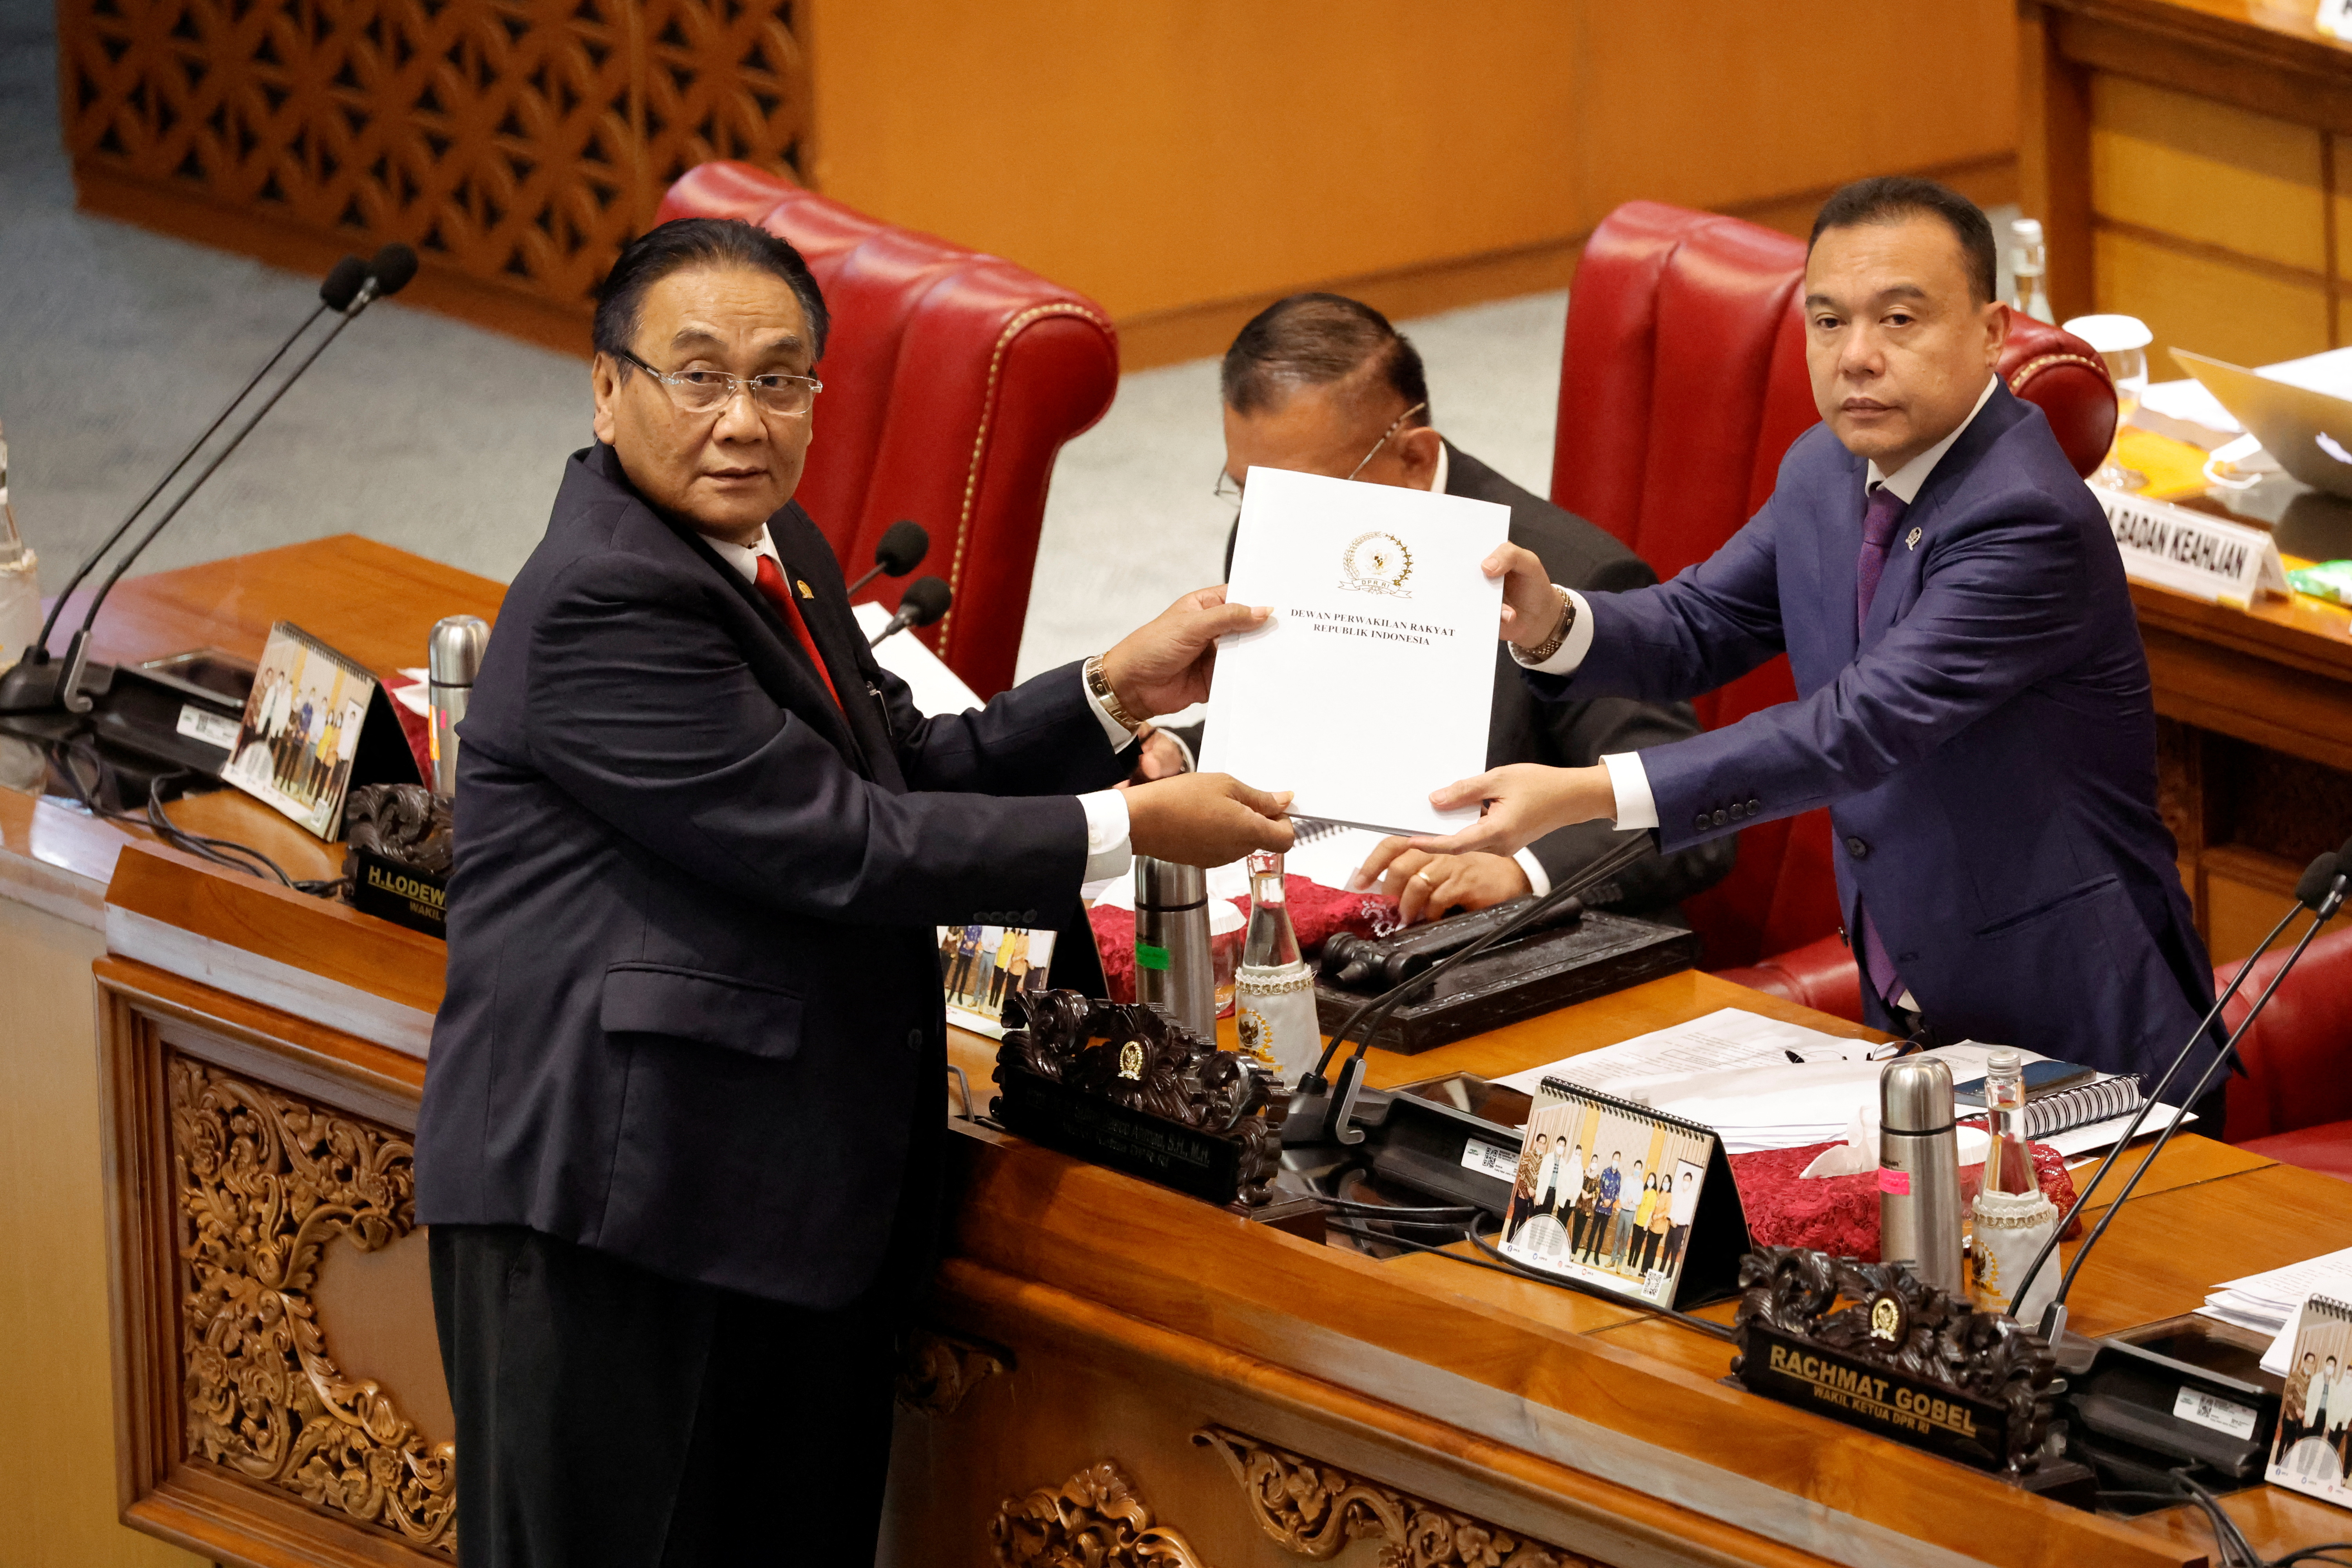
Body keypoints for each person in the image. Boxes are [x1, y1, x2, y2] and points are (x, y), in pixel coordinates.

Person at [413, 216, 1295, 1568]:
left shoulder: (778, 550)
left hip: (765, 1205)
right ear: (606, 388)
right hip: (618, 1220)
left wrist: (1113, 688)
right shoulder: (607, 598)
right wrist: (1127, 825)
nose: (740, 420)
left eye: (779, 380)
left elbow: (906, 766)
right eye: (696, 376)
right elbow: (846, 847)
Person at [1389, 177, 2221, 1087]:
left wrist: (1583, 793)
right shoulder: (1828, 465)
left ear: (1990, 332)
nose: (1856, 357)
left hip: (2077, 1027)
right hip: (1913, 1006)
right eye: (1828, 323)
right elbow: (1706, 619)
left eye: (1899, 321)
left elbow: (1856, 728)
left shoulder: (2026, 520)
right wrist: (1555, 623)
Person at [1170, 294, 1733, 925]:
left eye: (1307, 494)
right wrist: (1182, 753)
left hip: (1492, 941)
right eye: (1251, 490)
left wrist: (1519, 871)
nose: (1272, 522)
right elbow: (1317, 728)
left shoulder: (1577, 576)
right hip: (1311, 894)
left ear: (1413, 458)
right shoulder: (1271, 531)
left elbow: (1692, 822)